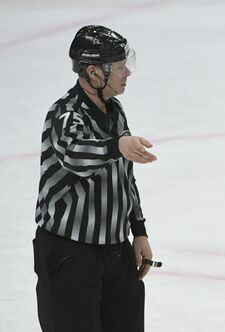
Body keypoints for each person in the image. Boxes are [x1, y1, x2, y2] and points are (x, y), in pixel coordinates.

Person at [33, 25, 159, 332]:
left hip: (115, 252)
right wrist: (118, 145)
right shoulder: (64, 114)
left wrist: (138, 230)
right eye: (118, 67)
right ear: (93, 72)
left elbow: (124, 178)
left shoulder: (115, 111)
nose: (127, 72)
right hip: (70, 256)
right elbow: (76, 155)